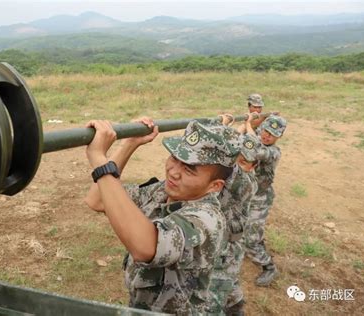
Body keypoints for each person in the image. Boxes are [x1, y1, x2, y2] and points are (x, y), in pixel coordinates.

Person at [84, 118, 241, 315]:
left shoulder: (207, 219)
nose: (173, 172)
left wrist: (100, 160)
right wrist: (129, 144)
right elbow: (97, 199)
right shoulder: (162, 191)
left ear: (214, 186)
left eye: (189, 169)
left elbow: (146, 247)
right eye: (175, 157)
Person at [210, 127, 261, 315]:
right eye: (237, 158)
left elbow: (226, 163)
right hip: (226, 245)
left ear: (253, 166)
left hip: (226, 250)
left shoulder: (245, 183)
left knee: (212, 299)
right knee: (229, 282)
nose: (237, 165)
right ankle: (236, 307)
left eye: (243, 162)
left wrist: (222, 128)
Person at [240, 114, 287, 287]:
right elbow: (250, 138)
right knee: (245, 227)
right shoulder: (258, 138)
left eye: (272, 134)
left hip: (260, 198)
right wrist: (249, 125)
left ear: (279, 137)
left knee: (250, 238)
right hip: (248, 194)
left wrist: (247, 125)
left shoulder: (273, 152)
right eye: (265, 130)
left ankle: (269, 267)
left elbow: (251, 149)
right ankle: (255, 243)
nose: (267, 135)